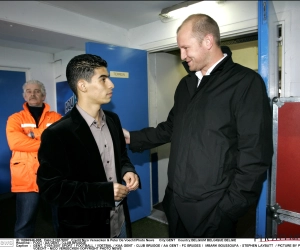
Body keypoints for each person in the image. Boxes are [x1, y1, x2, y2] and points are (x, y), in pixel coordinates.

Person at [123, 13, 273, 238]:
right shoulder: (186, 85)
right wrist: (131, 137)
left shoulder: (245, 83)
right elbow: (170, 128)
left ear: (208, 42)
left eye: (185, 48)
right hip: (175, 202)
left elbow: (255, 155)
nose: (182, 56)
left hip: (213, 207)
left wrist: (229, 209)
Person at [37, 54, 140, 238]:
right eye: (103, 79)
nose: (111, 84)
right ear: (82, 86)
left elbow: (121, 156)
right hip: (85, 227)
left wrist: (127, 170)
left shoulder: (113, 120)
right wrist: (103, 192)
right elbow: (51, 189)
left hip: (120, 219)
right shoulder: (57, 134)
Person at [6, 80, 62, 238]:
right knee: (24, 223)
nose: (32, 94)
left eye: (37, 91)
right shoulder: (15, 119)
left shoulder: (57, 117)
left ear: (43, 95)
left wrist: (31, 136)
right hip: (26, 177)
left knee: (61, 220)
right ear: (24, 96)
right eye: (29, 91)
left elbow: (61, 142)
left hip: (53, 176)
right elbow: (15, 142)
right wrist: (45, 139)